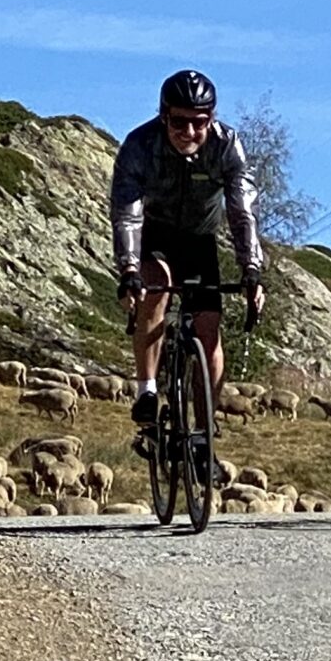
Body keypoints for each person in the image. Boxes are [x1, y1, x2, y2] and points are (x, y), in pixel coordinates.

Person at [110, 70, 266, 425]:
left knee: (209, 330)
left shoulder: (227, 145)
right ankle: (147, 390)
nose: (190, 133)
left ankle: (205, 427)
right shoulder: (139, 145)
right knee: (154, 291)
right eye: (179, 122)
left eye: (200, 122)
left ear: (212, 118)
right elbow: (127, 214)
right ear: (164, 115)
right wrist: (129, 271)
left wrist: (252, 271)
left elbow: (243, 213)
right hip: (154, 235)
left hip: (200, 239)